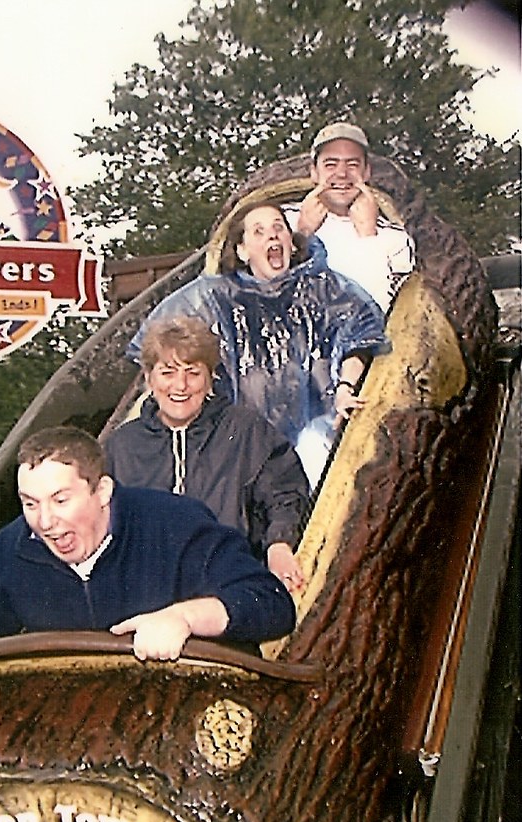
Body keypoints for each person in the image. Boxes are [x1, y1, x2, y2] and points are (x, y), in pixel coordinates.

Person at [0, 426, 295, 676]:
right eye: (30, 504)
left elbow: (272, 603)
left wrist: (184, 618)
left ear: (101, 492)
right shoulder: (9, 551)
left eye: (61, 499)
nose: (46, 521)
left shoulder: (175, 524)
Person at [126, 202, 390, 483]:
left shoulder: (321, 288)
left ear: (291, 241)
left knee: (313, 451)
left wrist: (346, 387)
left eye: (279, 227)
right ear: (242, 249)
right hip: (236, 447)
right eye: (259, 231)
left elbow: (358, 332)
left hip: (314, 438)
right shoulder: (212, 298)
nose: (272, 236)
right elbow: (158, 346)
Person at [104, 316, 309, 592]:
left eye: (193, 372)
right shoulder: (121, 446)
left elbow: (285, 492)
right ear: (148, 378)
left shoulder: (246, 429)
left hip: (230, 587)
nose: (180, 386)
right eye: (168, 372)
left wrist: (279, 545)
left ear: (210, 377)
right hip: (146, 594)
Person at [283, 122, 415, 312]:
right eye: (330, 164)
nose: (342, 173)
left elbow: (386, 315)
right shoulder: (280, 222)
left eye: (352, 164)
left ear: (366, 172)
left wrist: (368, 238)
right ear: (314, 172)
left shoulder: (395, 239)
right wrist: (302, 233)